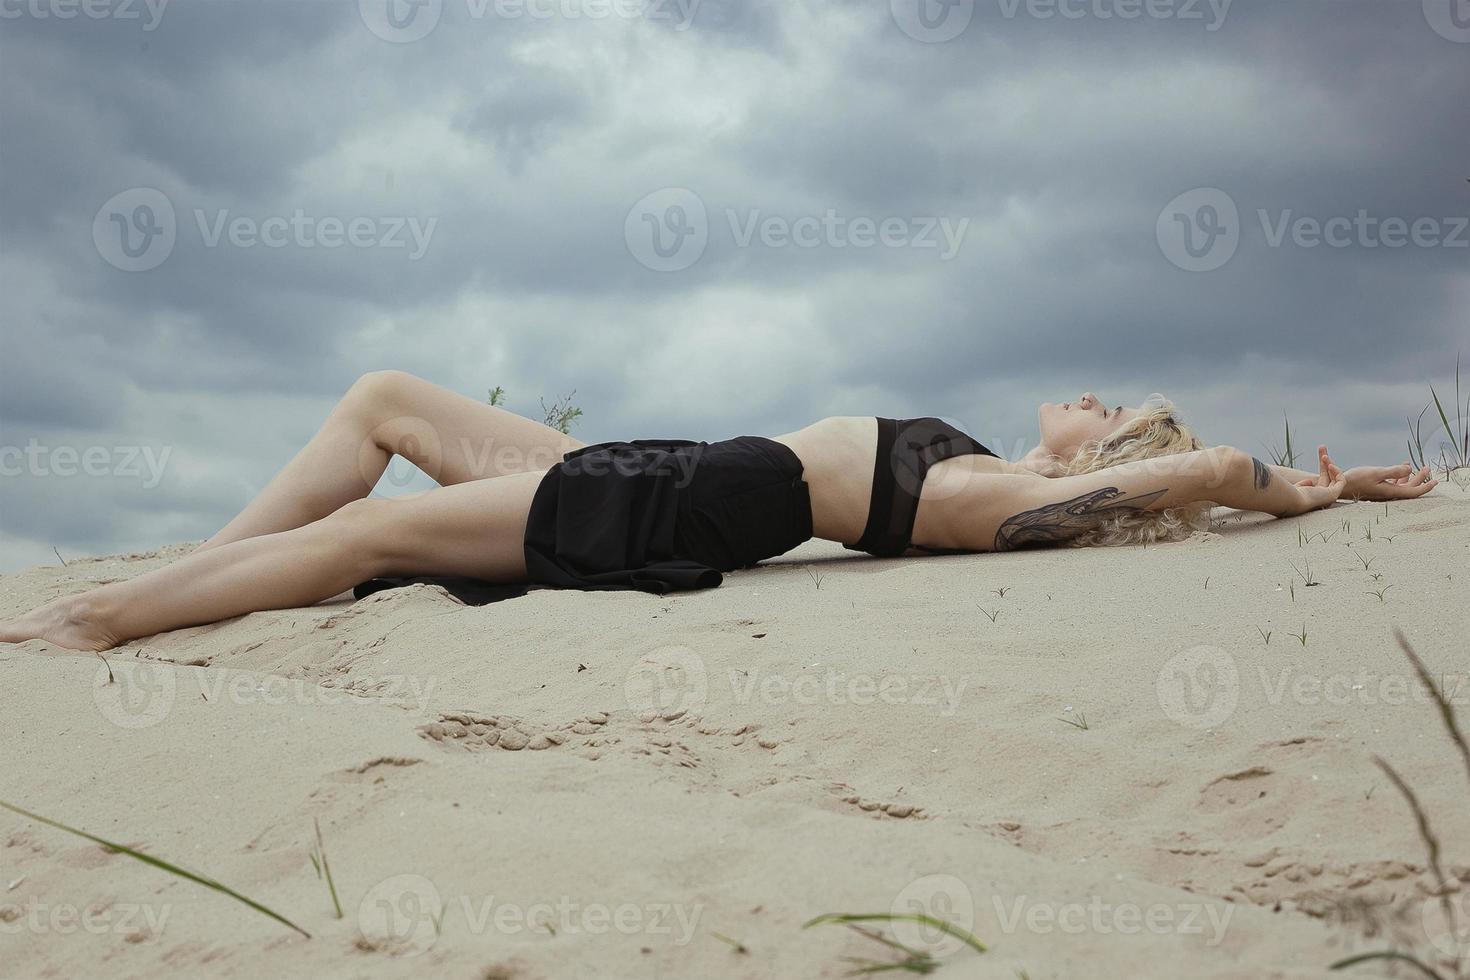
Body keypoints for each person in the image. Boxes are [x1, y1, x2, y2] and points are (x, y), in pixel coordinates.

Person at [0, 371, 1438, 652]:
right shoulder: (976, 461)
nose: (1074, 392)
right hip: (661, 469)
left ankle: (87, 622)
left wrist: (1296, 485)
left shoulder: (1007, 493)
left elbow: (1199, 476)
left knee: (365, 537)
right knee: (386, 401)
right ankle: (207, 564)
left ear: (1111, 446)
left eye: (1103, 399)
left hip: (664, 510)